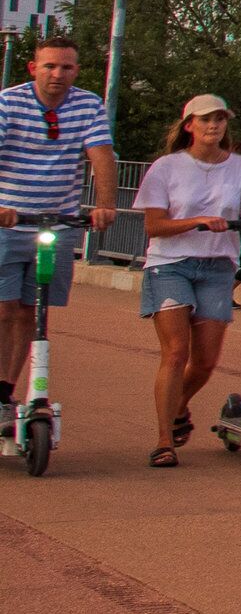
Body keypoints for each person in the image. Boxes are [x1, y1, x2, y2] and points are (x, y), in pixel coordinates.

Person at [134, 94, 241, 467]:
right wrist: (197, 221)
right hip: (170, 264)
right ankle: (164, 440)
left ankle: (178, 406)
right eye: (206, 120)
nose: (214, 126)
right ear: (189, 124)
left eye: (220, 120)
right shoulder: (166, 167)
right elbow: (154, 225)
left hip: (217, 266)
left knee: (206, 361)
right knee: (176, 352)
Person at [0, 32, 119, 375]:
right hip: (9, 222)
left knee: (32, 311)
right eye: (49, 66)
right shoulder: (9, 103)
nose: (57, 74)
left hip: (56, 221)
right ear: (33, 67)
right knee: (3, 310)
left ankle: (7, 391)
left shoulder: (88, 104)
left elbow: (100, 153)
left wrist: (105, 204)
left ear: (76, 71)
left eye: (66, 67)